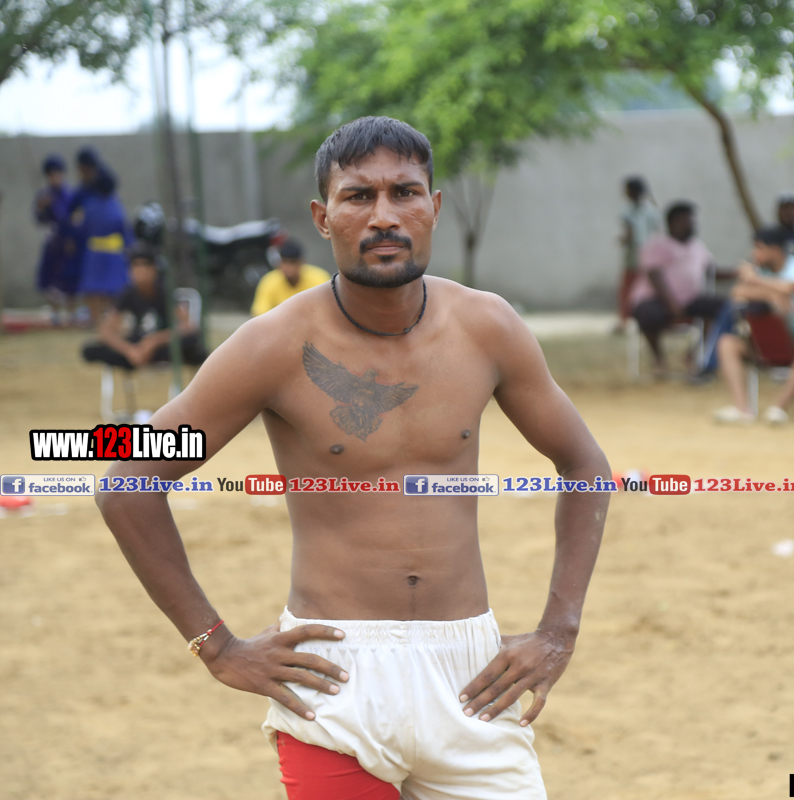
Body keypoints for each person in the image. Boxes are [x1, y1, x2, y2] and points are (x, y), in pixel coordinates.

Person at [96, 116, 610, 800]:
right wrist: (214, 645)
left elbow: (586, 465)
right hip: (333, 683)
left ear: (434, 206)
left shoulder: (488, 328)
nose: (384, 216)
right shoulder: (272, 345)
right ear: (323, 216)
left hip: (470, 679)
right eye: (359, 196)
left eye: (405, 193)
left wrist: (559, 630)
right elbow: (126, 481)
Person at [712, 228, 794, 425]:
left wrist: (756, 282)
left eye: (758, 248)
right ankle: (742, 409)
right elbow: (738, 292)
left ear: (774, 250)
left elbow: (788, 288)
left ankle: (778, 408)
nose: (753, 253)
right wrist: (772, 295)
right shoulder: (764, 272)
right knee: (727, 344)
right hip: (772, 342)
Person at [629, 201, 725, 377]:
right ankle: (658, 359)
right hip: (656, 299)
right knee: (648, 315)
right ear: (672, 223)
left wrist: (742, 271)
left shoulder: (697, 246)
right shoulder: (657, 244)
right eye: (685, 221)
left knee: (724, 309)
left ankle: (695, 355)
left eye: (692, 221)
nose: (690, 225)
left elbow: (713, 272)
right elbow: (654, 275)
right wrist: (672, 303)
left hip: (690, 299)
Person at [81, 243, 208, 370]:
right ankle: (139, 358)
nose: (141, 272)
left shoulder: (164, 292)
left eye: (146, 266)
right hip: (137, 345)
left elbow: (187, 326)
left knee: (193, 344)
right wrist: (129, 350)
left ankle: (157, 357)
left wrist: (153, 341)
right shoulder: (128, 294)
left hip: (162, 345)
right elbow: (106, 330)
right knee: (91, 350)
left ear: (154, 269)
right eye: (136, 266)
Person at [71, 147, 130, 324]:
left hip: (94, 253)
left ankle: (96, 320)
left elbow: (81, 229)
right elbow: (125, 230)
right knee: (113, 290)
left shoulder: (89, 206)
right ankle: (112, 322)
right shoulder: (116, 206)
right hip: (113, 253)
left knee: (93, 290)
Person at [33, 154, 82, 325]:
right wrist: (41, 208)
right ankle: (55, 314)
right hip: (52, 244)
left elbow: (73, 219)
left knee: (70, 280)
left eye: (57, 174)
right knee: (50, 281)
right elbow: (39, 220)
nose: (55, 178)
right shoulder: (44, 195)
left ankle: (72, 313)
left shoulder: (70, 195)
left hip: (67, 243)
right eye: (51, 175)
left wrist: (72, 238)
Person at [615, 176, 660, 331]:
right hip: (649, 255)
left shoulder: (628, 210)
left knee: (629, 287)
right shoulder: (652, 209)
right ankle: (633, 318)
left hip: (635, 256)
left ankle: (625, 319)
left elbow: (629, 233)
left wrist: (622, 240)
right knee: (644, 287)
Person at [251, 239, 332, 316]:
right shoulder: (269, 281)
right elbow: (259, 313)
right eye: (285, 262)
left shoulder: (319, 278)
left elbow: (328, 309)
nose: (288, 268)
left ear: (301, 262)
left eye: (292, 263)